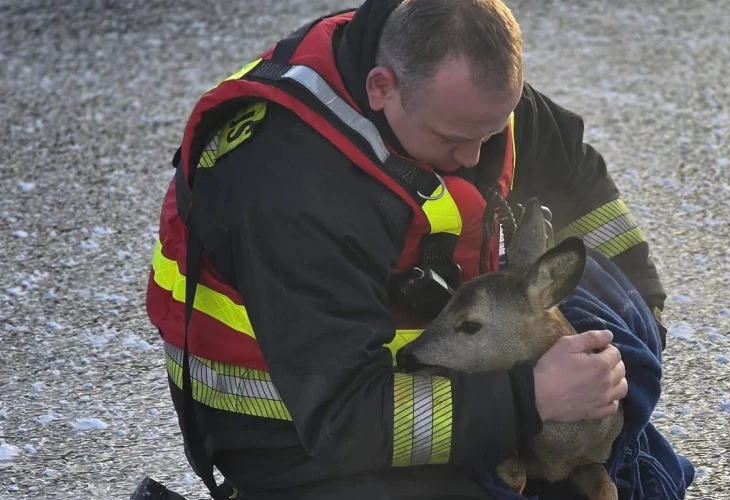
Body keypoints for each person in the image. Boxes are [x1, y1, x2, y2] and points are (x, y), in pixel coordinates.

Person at [142, 0, 674, 499]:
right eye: (451, 139)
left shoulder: (462, 96)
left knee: (626, 466)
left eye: (491, 132)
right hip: (300, 431)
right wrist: (528, 399)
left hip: (449, 367)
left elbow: (577, 181)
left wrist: (644, 313)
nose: (474, 158)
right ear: (382, 88)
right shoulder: (290, 191)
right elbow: (342, 418)